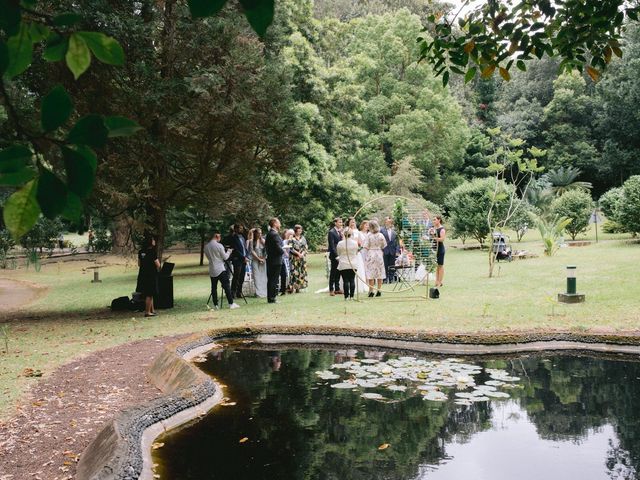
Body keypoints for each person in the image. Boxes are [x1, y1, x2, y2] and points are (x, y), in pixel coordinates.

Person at [204, 232, 240, 310]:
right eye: (219, 236)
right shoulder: (219, 245)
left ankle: (215, 304)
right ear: (216, 236)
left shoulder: (206, 247)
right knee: (226, 286)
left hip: (212, 269)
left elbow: (209, 257)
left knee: (214, 288)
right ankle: (231, 303)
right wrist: (229, 251)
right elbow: (225, 257)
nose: (220, 238)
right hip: (220, 268)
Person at [137, 234, 161, 317]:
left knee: (150, 293)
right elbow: (158, 265)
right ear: (150, 242)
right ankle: (147, 312)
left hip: (143, 274)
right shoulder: (152, 252)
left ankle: (152, 310)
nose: (154, 241)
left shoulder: (141, 252)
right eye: (153, 240)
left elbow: (139, 264)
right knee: (150, 294)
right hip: (151, 275)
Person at [364, 220, 387, 297]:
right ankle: (379, 290)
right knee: (379, 272)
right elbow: (384, 245)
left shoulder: (369, 235)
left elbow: (366, 246)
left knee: (371, 273)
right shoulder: (381, 235)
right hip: (379, 254)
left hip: (371, 254)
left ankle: (371, 291)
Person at [265, 218, 284, 304]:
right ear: (275, 224)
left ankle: (271, 297)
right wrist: (283, 251)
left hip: (271, 259)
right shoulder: (274, 234)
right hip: (275, 260)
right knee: (274, 279)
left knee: (271, 279)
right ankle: (272, 297)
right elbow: (277, 247)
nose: (280, 225)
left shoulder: (269, 234)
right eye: (279, 223)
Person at [336, 228, 359, 300]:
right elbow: (356, 252)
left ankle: (346, 296)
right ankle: (351, 296)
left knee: (345, 280)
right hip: (353, 263)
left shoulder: (340, 243)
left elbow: (339, 253)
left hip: (343, 263)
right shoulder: (355, 243)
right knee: (352, 280)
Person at [348, 218, 368, 294]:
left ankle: (361, 285)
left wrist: (359, 246)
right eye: (351, 222)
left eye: (354, 221)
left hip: (357, 251)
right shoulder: (347, 229)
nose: (353, 223)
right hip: (351, 251)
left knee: (359, 267)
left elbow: (360, 241)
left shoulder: (357, 231)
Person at [229, 224, 248, 298]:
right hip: (237, 260)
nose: (241, 229)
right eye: (240, 228)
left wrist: (246, 256)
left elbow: (244, 248)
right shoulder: (233, 237)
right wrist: (243, 257)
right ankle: (232, 293)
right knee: (236, 276)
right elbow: (236, 250)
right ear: (236, 229)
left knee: (242, 277)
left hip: (244, 260)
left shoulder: (242, 237)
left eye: (242, 228)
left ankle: (239, 292)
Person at [249, 227, 268, 298]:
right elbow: (252, 251)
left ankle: (264, 292)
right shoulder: (251, 241)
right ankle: (258, 293)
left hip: (263, 260)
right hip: (255, 260)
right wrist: (258, 259)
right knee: (256, 276)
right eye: (258, 233)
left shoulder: (263, 241)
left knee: (263, 276)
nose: (259, 234)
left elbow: (266, 250)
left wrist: (263, 258)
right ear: (255, 233)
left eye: (260, 233)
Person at [289, 224, 308, 293]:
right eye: (298, 229)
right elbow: (290, 248)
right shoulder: (291, 238)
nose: (300, 230)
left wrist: (302, 254)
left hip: (302, 258)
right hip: (294, 258)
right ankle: (293, 287)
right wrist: (297, 254)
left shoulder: (303, 238)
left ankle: (299, 287)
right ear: (295, 230)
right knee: (294, 272)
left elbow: (305, 247)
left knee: (301, 272)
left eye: (301, 229)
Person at [381, 217, 400, 283]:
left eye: (390, 222)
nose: (388, 223)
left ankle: (391, 278)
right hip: (384, 251)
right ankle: (385, 279)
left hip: (392, 251)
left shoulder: (394, 232)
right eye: (387, 222)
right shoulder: (381, 230)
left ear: (391, 223)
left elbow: (397, 243)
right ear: (385, 222)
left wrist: (397, 251)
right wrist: (381, 250)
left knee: (392, 265)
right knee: (384, 265)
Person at [327, 218, 344, 296]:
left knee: (339, 272)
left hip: (341, 254)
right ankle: (331, 289)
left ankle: (337, 289)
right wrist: (336, 256)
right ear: (335, 223)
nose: (341, 223)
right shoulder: (331, 232)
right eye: (339, 222)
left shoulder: (340, 232)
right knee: (333, 272)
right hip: (334, 255)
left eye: (341, 222)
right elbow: (332, 245)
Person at [430, 215, 446, 287]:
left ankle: (440, 282)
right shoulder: (434, 228)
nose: (434, 221)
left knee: (440, 265)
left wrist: (434, 237)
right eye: (433, 220)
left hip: (440, 249)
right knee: (437, 266)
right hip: (434, 249)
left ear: (439, 220)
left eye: (435, 219)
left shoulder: (442, 229)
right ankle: (437, 281)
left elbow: (442, 239)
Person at [280, 229, 294, 295]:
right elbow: (284, 250)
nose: (291, 235)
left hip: (291, 258)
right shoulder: (284, 241)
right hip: (285, 259)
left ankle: (291, 287)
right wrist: (287, 255)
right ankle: (286, 287)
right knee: (287, 273)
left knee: (291, 273)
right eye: (290, 234)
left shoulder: (292, 241)